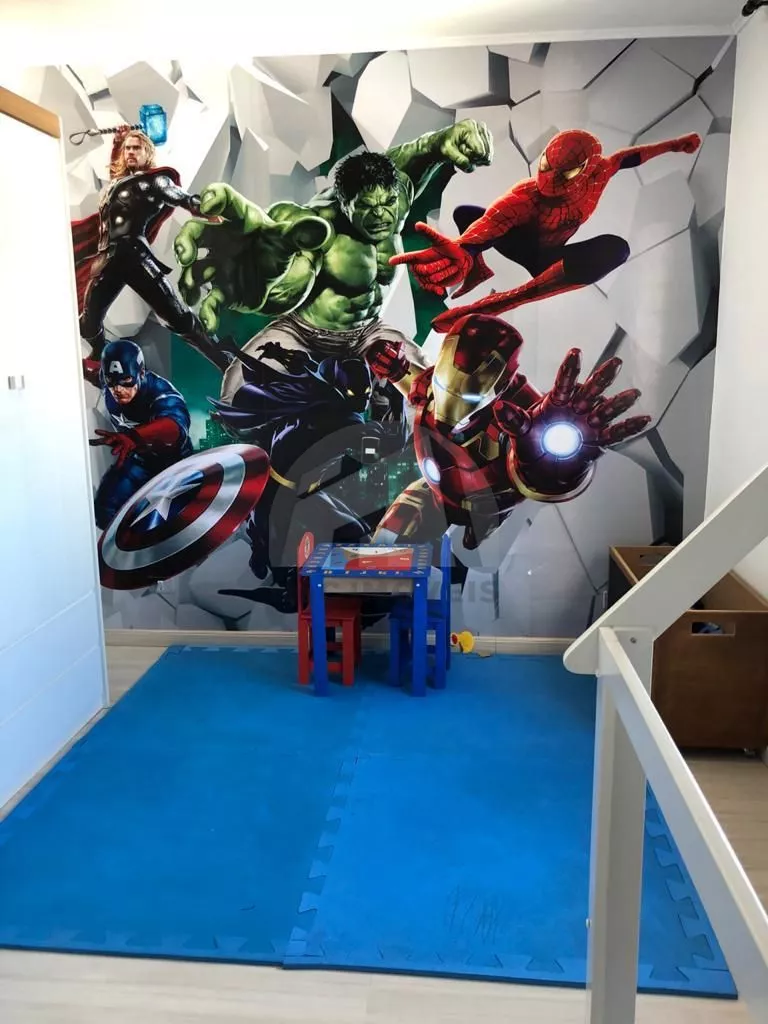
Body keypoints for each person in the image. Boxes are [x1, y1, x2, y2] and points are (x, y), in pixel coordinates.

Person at [171, 119, 494, 406]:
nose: (380, 215)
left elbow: (421, 151)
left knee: (437, 393)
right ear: (344, 203)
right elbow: (286, 261)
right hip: (304, 333)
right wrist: (260, 266)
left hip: (368, 331)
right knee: (235, 390)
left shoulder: (396, 193)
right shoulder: (320, 224)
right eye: (366, 207)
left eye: (387, 203)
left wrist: (446, 138)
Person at [369, 313, 652, 548]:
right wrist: (397, 371)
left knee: (474, 538)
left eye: (467, 395)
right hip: (433, 491)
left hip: (487, 504)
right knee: (384, 544)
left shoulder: (522, 416)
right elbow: (419, 388)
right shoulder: (433, 385)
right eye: (443, 384)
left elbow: (545, 468)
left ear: (501, 385)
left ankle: (480, 529)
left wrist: (555, 467)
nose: (448, 407)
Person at [388, 128, 703, 333]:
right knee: (467, 214)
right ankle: (477, 270)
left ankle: (501, 302)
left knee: (616, 249)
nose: (549, 179)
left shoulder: (599, 172)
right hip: (519, 244)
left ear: (586, 169)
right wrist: (463, 249)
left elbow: (626, 158)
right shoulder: (526, 196)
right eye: (545, 167)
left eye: (564, 173)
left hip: (550, 260)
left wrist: (674, 145)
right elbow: (491, 221)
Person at [71, 126, 234, 379]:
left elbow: (181, 197)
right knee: (87, 324)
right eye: (128, 148)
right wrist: (117, 143)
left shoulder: (154, 181)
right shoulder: (116, 186)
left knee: (177, 318)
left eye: (136, 148)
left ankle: (223, 361)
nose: (130, 152)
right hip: (106, 260)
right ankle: (100, 356)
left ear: (148, 153)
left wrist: (204, 209)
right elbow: (117, 179)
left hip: (134, 256)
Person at [88, 339, 193, 528]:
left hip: (175, 466)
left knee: (175, 523)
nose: (118, 390)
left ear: (141, 373)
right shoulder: (107, 380)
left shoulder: (160, 392)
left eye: (126, 381)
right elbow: (87, 369)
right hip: (138, 461)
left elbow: (174, 425)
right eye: (111, 382)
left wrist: (135, 437)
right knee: (104, 512)